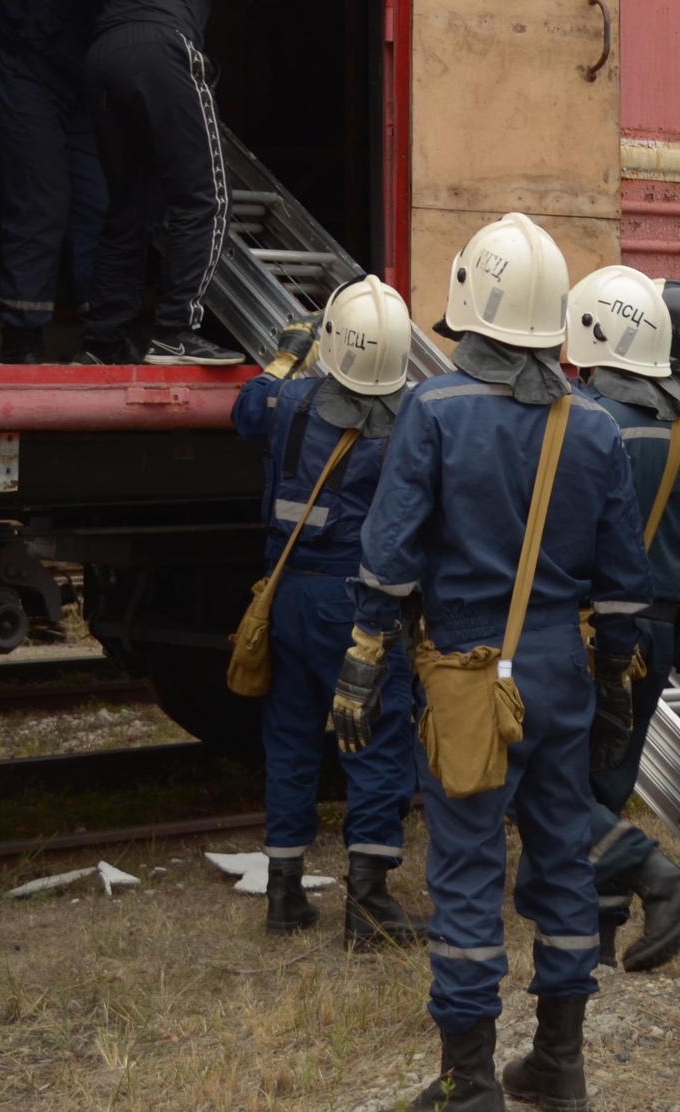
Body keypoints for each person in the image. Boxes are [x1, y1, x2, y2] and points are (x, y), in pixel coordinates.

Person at [341, 213, 651, 1112]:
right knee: (562, 858)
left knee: (467, 866)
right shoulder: (591, 425)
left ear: (469, 305)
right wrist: (618, 681)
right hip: (561, 665)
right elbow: (624, 583)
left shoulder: (432, 411)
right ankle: (560, 1065)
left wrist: (364, 653)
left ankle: (468, 1081)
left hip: (469, 670)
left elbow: (390, 552)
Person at [72, 0, 398, 365]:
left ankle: (103, 342)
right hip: (164, 48)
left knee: (128, 207)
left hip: (104, 53)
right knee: (206, 198)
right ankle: (177, 331)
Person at [230, 275, 424, 948]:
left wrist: (287, 355)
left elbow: (246, 410)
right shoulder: (410, 422)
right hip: (357, 602)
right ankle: (367, 903)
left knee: (289, 739)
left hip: (287, 595)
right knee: (372, 743)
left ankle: (284, 894)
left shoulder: (289, 401)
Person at [0, 0, 203, 363]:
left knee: (104, 208)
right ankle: (22, 338)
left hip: (79, 87)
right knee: (42, 202)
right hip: (20, 68)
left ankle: (105, 334)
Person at [564, 266, 680, 973]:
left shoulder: (586, 421)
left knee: (553, 788)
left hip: (590, 631)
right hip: (657, 635)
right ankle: (601, 940)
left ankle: (656, 885)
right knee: (607, 780)